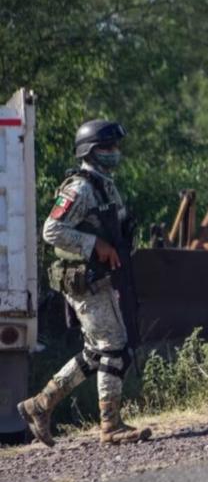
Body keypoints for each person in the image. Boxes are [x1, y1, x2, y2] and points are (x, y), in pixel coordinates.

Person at [18, 120, 151, 446]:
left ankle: (40, 405)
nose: (115, 153)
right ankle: (111, 426)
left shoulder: (104, 184)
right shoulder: (80, 189)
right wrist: (96, 246)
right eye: (108, 148)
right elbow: (52, 230)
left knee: (95, 352)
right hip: (85, 282)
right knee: (114, 347)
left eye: (115, 147)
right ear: (91, 151)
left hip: (101, 279)